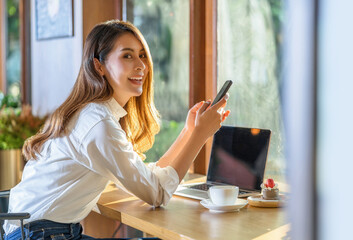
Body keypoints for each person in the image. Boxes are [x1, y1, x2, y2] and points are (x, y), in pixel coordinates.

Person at [3, 20, 230, 240]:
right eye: (127, 55)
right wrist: (201, 135)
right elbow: (157, 194)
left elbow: (146, 180)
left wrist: (189, 132)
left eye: (142, 55)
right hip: (41, 235)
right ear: (98, 66)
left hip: (44, 232)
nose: (141, 65)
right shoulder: (97, 123)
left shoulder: (94, 114)